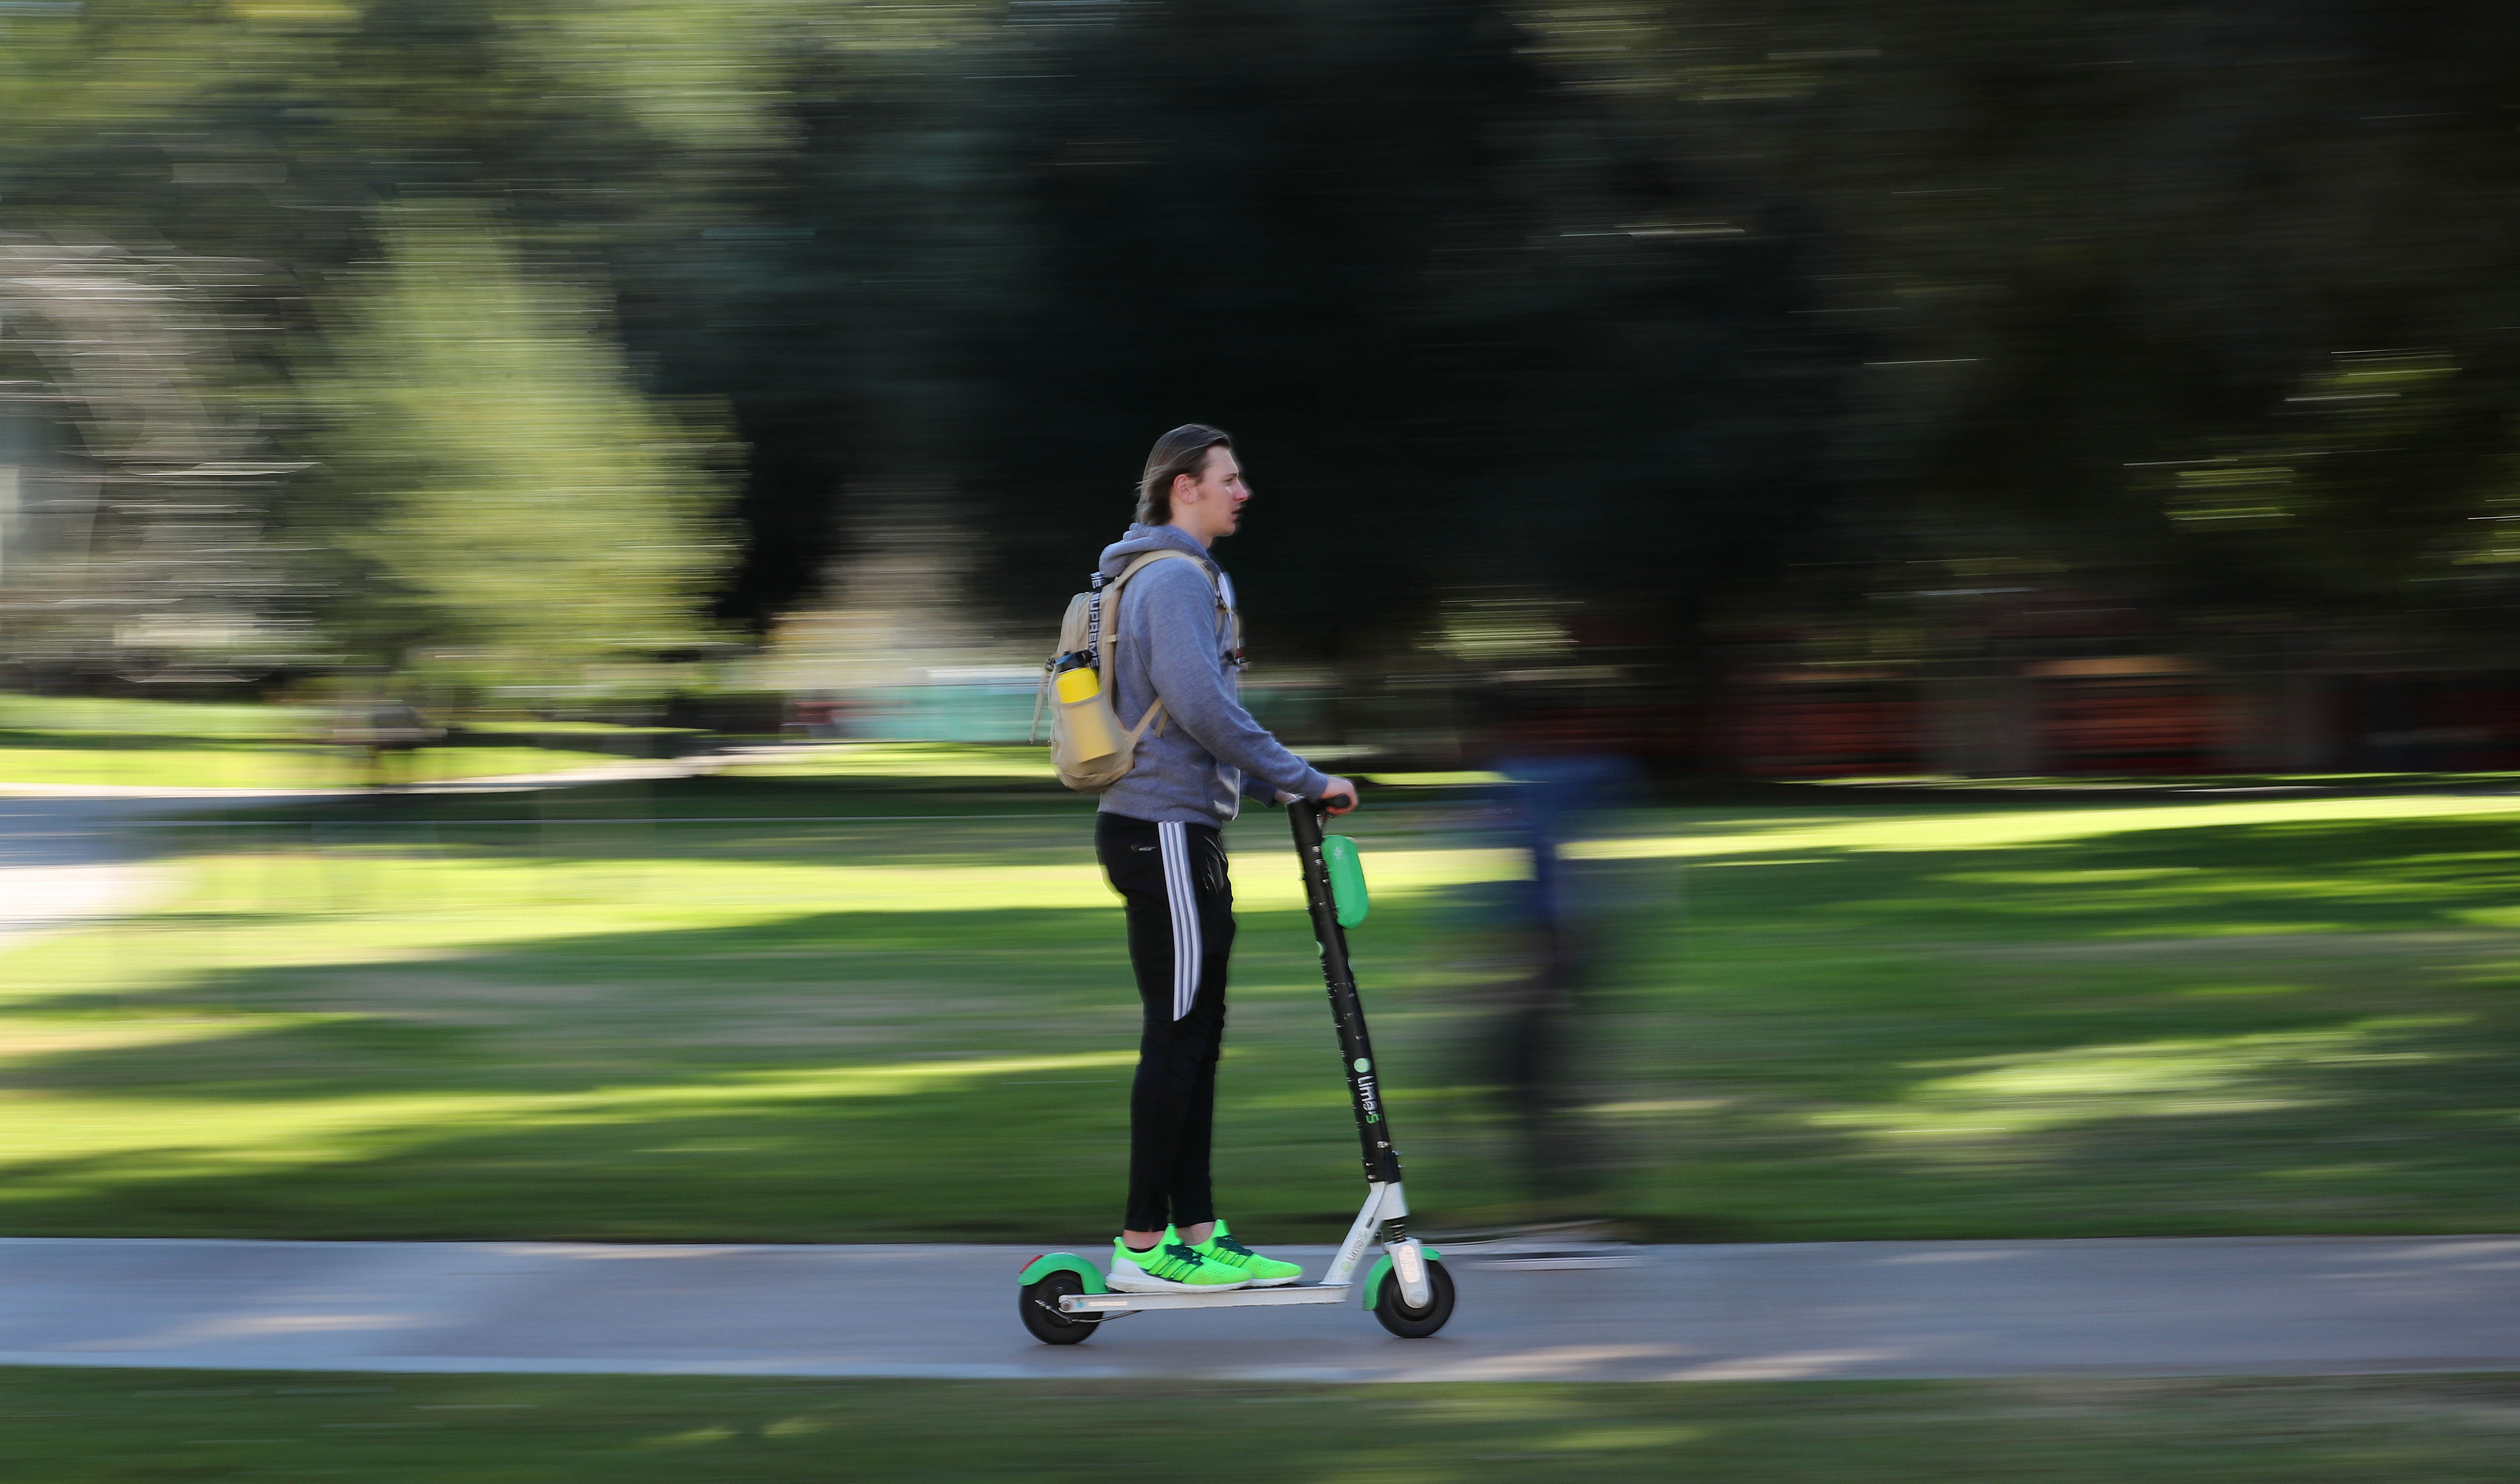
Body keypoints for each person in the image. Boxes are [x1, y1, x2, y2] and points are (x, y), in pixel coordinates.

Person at [1092, 423, 1358, 1294]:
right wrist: (1302, 775)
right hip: (1160, 828)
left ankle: (1198, 1231)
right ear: (1185, 488)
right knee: (1177, 1035)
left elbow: (1203, 718)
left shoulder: (1184, 576)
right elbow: (1201, 705)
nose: (1243, 492)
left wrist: (1276, 786)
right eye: (1230, 479)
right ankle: (1142, 1246)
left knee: (1197, 1033)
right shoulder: (1171, 578)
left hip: (1184, 831)